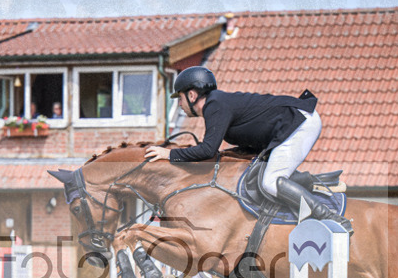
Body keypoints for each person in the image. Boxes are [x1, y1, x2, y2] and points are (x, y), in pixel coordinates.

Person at [145, 66, 352, 234]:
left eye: (180, 98)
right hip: (291, 124)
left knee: (270, 183)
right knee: (263, 174)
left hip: (298, 123)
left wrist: (169, 154)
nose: (180, 104)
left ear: (192, 94)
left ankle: (331, 218)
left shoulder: (215, 105)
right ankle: (314, 183)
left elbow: (207, 150)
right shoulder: (218, 104)